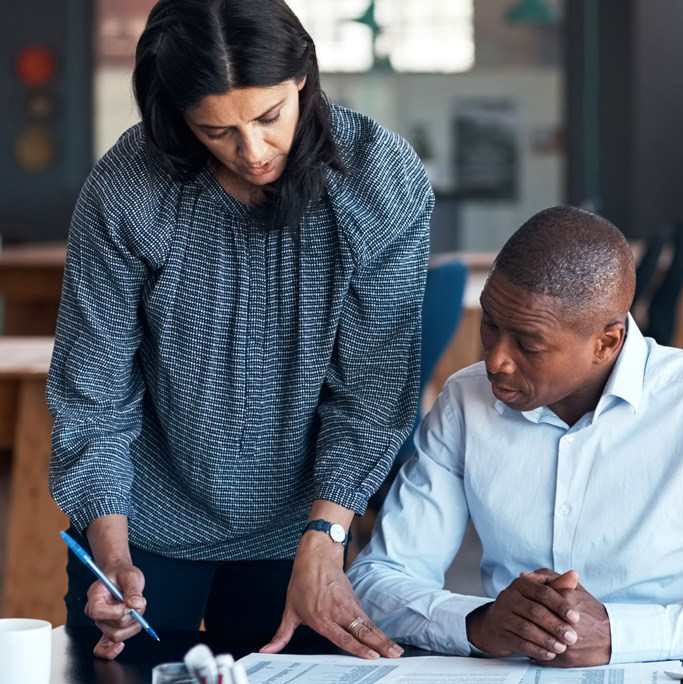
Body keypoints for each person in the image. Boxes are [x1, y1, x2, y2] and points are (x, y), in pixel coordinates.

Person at [47, 0, 431, 661]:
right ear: (175, 114)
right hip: (142, 523)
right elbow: (95, 397)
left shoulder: (380, 182)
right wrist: (112, 557)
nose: (252, 151)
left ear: (303, 78)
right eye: (215, 130)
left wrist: (327, 536)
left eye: (268, 117)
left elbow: (370, 394)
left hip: (304, 527)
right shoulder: (127, 191)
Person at [347, 206, 683, 666]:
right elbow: (377, 578)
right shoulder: (466, 401)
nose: (495, 361)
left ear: (606, 342)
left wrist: (619, 635)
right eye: (490, 324)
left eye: (528, 343)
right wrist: (480, 623)